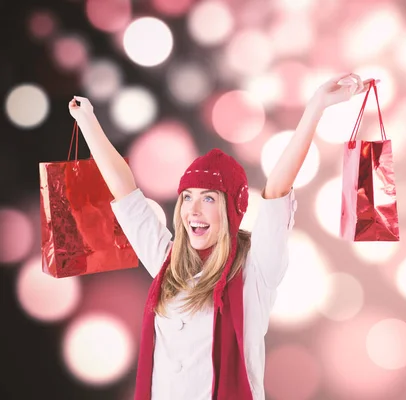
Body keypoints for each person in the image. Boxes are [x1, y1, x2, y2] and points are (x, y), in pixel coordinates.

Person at [68, 73, 377, 400]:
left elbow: (276, 191)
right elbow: (125, 192)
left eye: (209, 198)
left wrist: (316, 107)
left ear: (231, 211)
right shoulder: (167, 264)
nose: (193, 210)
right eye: (187, 197)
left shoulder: (257, 270)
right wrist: (86, 118)